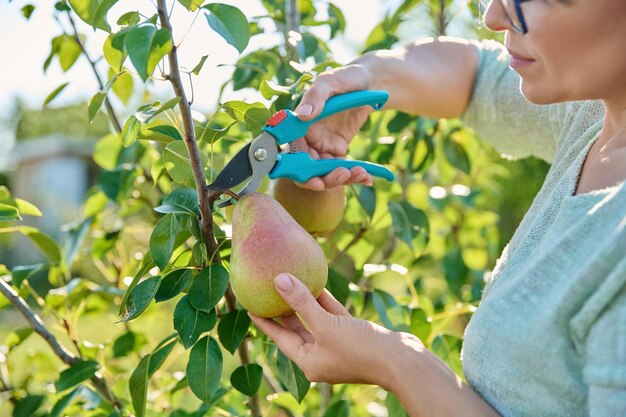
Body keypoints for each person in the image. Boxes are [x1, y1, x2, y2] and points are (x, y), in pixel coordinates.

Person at [249, 0, 626, 415]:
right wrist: (366, 79)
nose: (493, 18)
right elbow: (475, 74)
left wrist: (395, 361)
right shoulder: (598, 115)